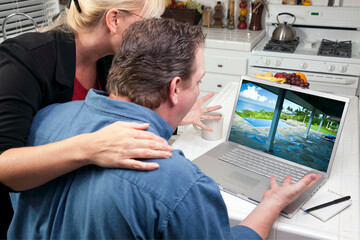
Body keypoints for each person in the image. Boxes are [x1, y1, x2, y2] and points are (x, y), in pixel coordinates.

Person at [8, 18, 321, 239]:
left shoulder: (44, 122)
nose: (198, 89)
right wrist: (272, 203)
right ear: (175, 89)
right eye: (198, 81)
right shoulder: (180, 184)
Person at [0, 0, 220, 237]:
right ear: (114, 20)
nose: (153, 31)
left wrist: (175, 114)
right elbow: (4, 165)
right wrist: (92, 146)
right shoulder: (25, 61)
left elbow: (121, 109)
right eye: (147, 21)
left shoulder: (110, 58)